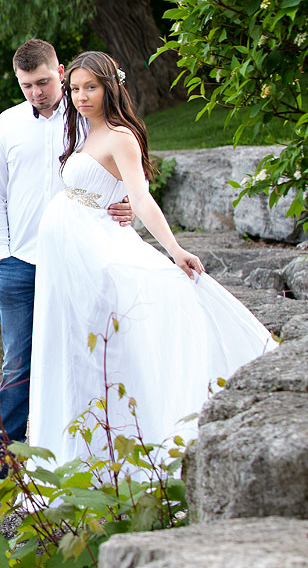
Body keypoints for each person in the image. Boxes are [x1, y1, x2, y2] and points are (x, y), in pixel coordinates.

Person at [27, 50, 275, 466]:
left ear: (111, 87)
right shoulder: (84, 130)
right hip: (69, 253)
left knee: (103, 345)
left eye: (91, 87)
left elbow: (140, 196)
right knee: (69, 345)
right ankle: (75, 448)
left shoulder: (121, 136)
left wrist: (173, 248)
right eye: (75, 88)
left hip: (93, 252)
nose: (82, 96)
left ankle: (120, 448)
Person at [0, 39, 132, 484]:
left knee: (81, 354)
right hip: (20, 263)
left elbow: (123, 172)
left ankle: (86, 452)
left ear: (60, 72)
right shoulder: (7, 124)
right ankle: (2, 462)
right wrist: (1, 253)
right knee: (18, 363)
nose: (37, 93)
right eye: (27, 85)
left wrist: (127, 207)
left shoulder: (89, 118)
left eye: (43, 82)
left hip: (77, 259)